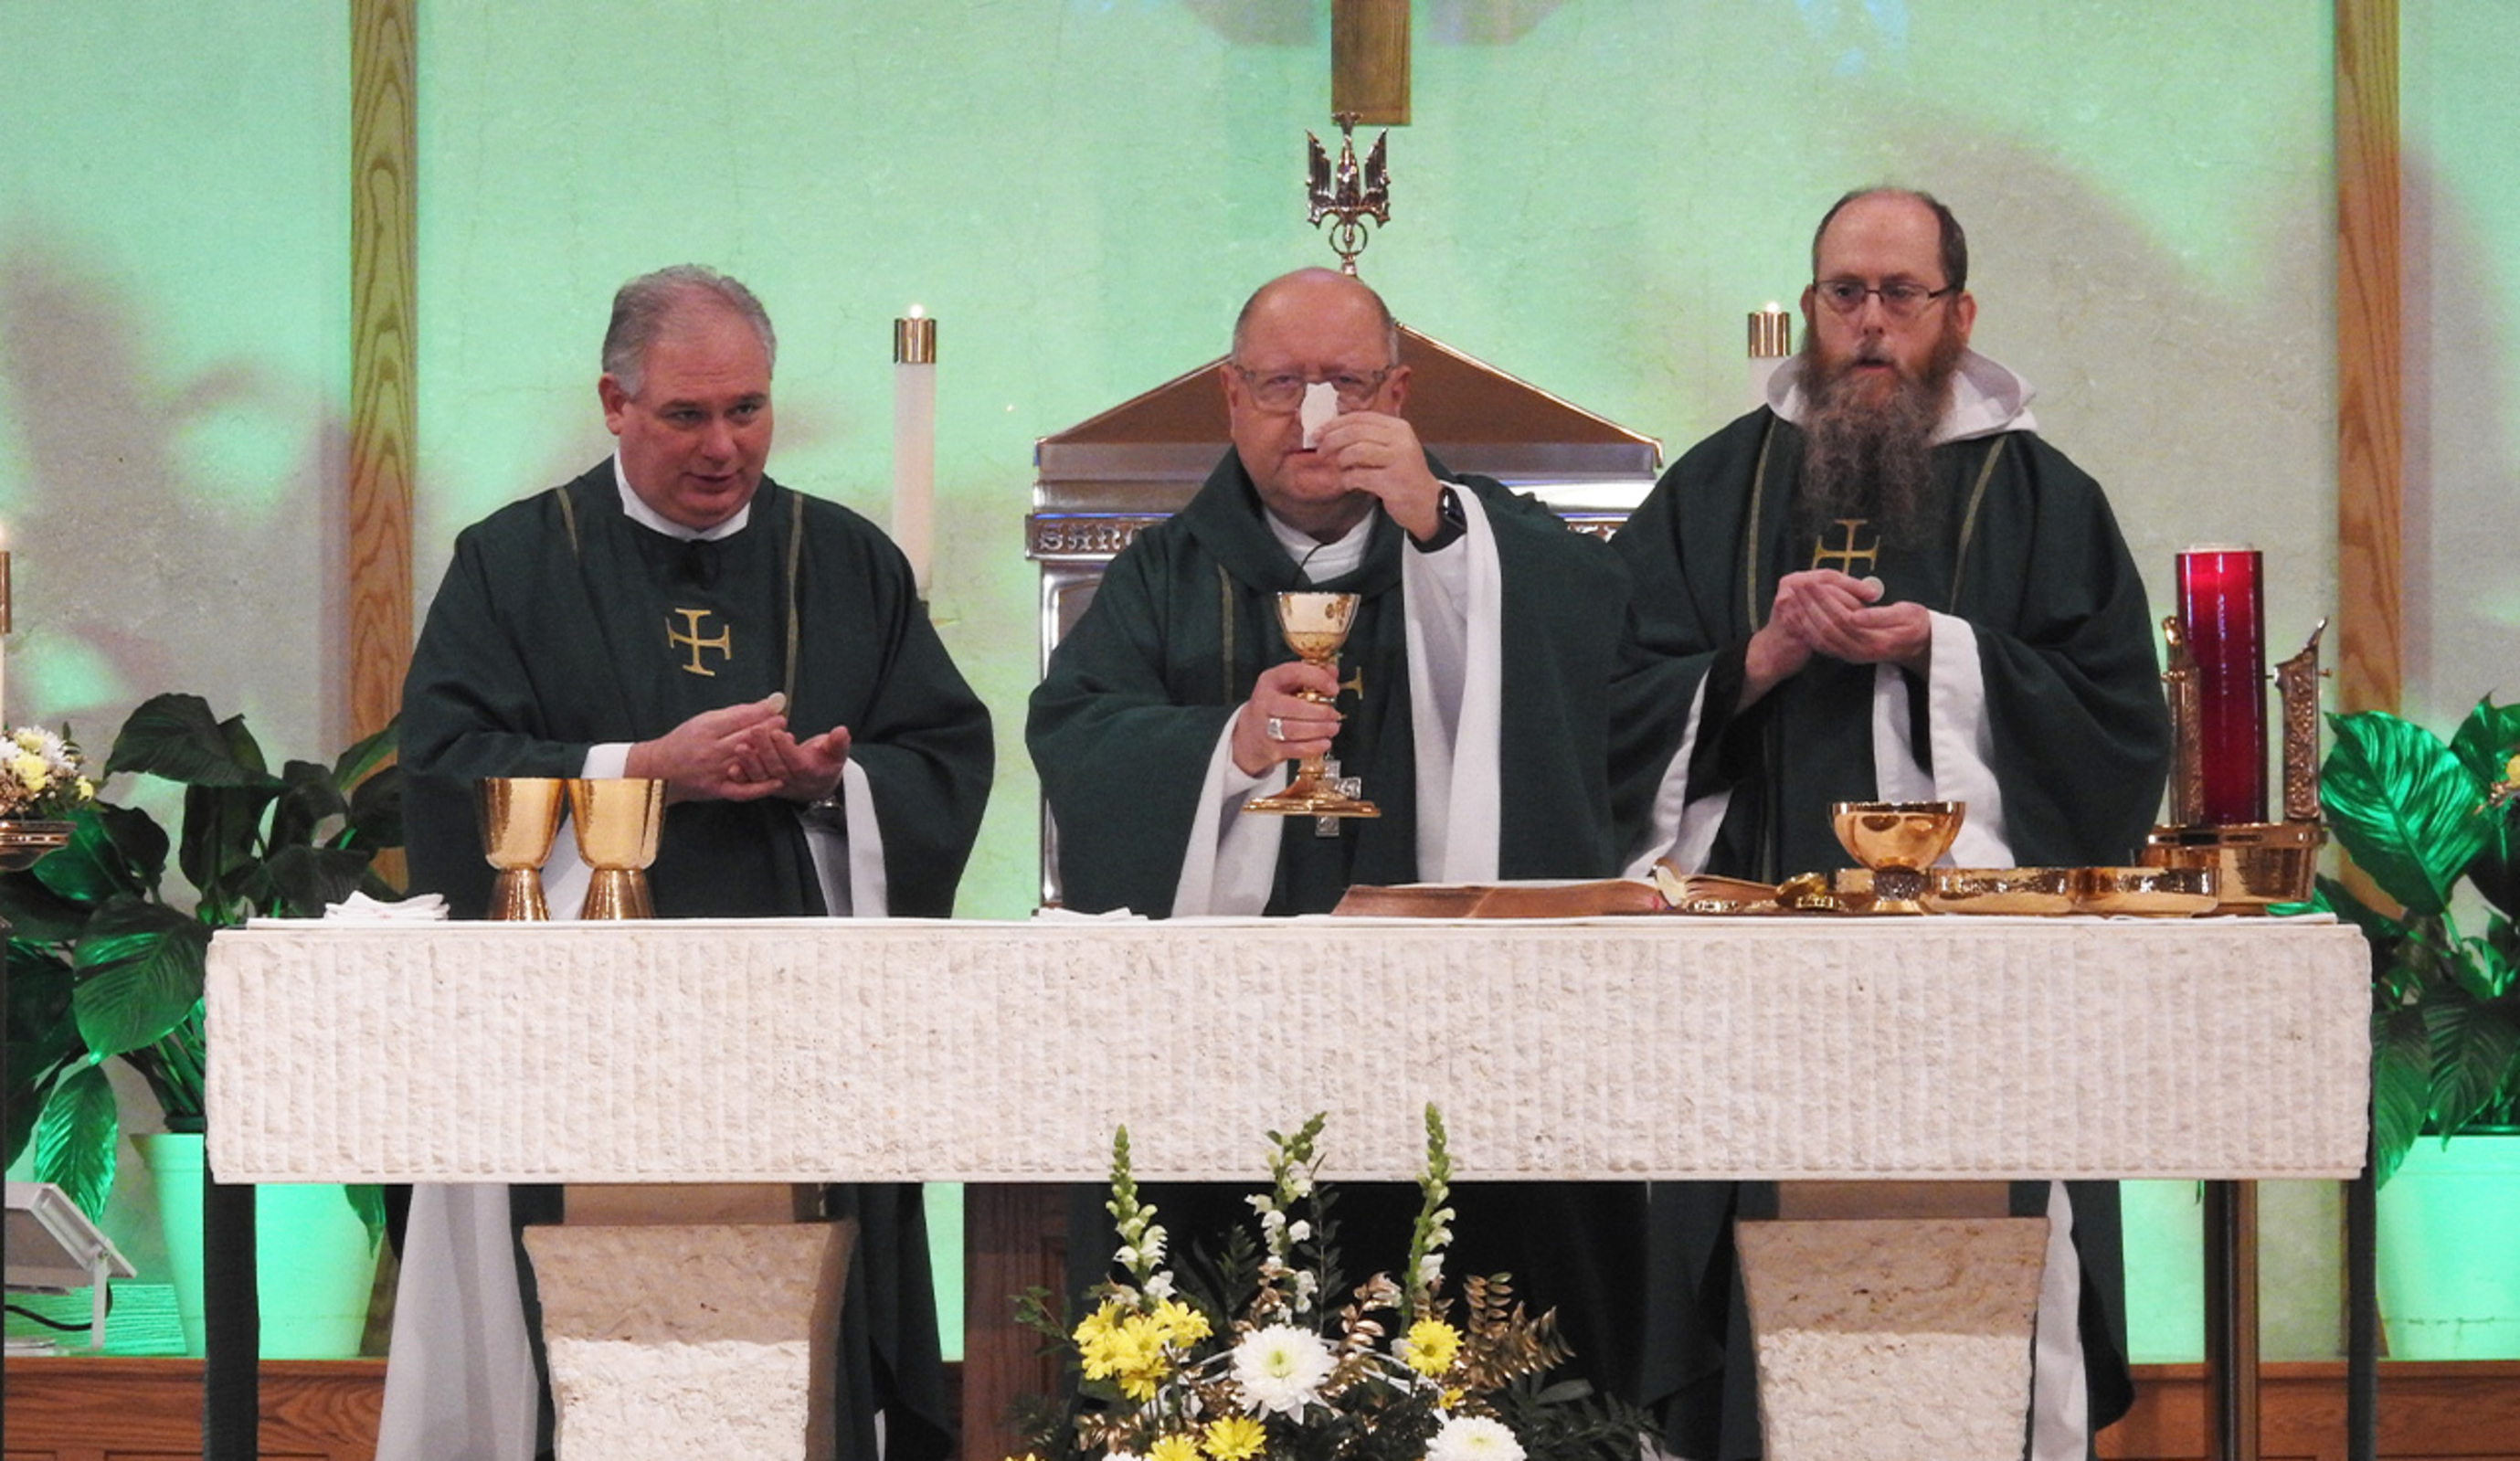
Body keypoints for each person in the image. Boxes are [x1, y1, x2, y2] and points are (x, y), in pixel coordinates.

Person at [391, 264, 993, 1461]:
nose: (724, 447)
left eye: (747, 409)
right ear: (614, 403)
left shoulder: (846, 559)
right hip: (578, 1037)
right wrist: (644, 767)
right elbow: (446, 763)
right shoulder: (514, 561)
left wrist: (831, 782)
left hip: (800, 1026)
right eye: (686, 414)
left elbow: (943, 756)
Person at [1612, 189, 2171, 1461]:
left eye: (1899, 295)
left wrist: (1944, 651)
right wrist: (1753, 660)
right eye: (1843, 293)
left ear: (1957, 314)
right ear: (1812, 306)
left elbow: (2116, 726)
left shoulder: (2043, 499)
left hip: (1982, 984)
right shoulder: (1716, 487)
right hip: (1754, 983)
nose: (1868, 321)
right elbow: (1605, 697)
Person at [1027, 266, 1647, 1406]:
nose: (1311, 413)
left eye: (1346, 384)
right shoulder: (1168, 573)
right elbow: (1077, 734)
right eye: (1279, 384)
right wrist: (1229, 747)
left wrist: (1438, 527)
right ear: (1230, 397)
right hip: (1232, 1052)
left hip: (1458, 1041)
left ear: (1398, 396)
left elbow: (1602, 637)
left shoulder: (1483, 538)